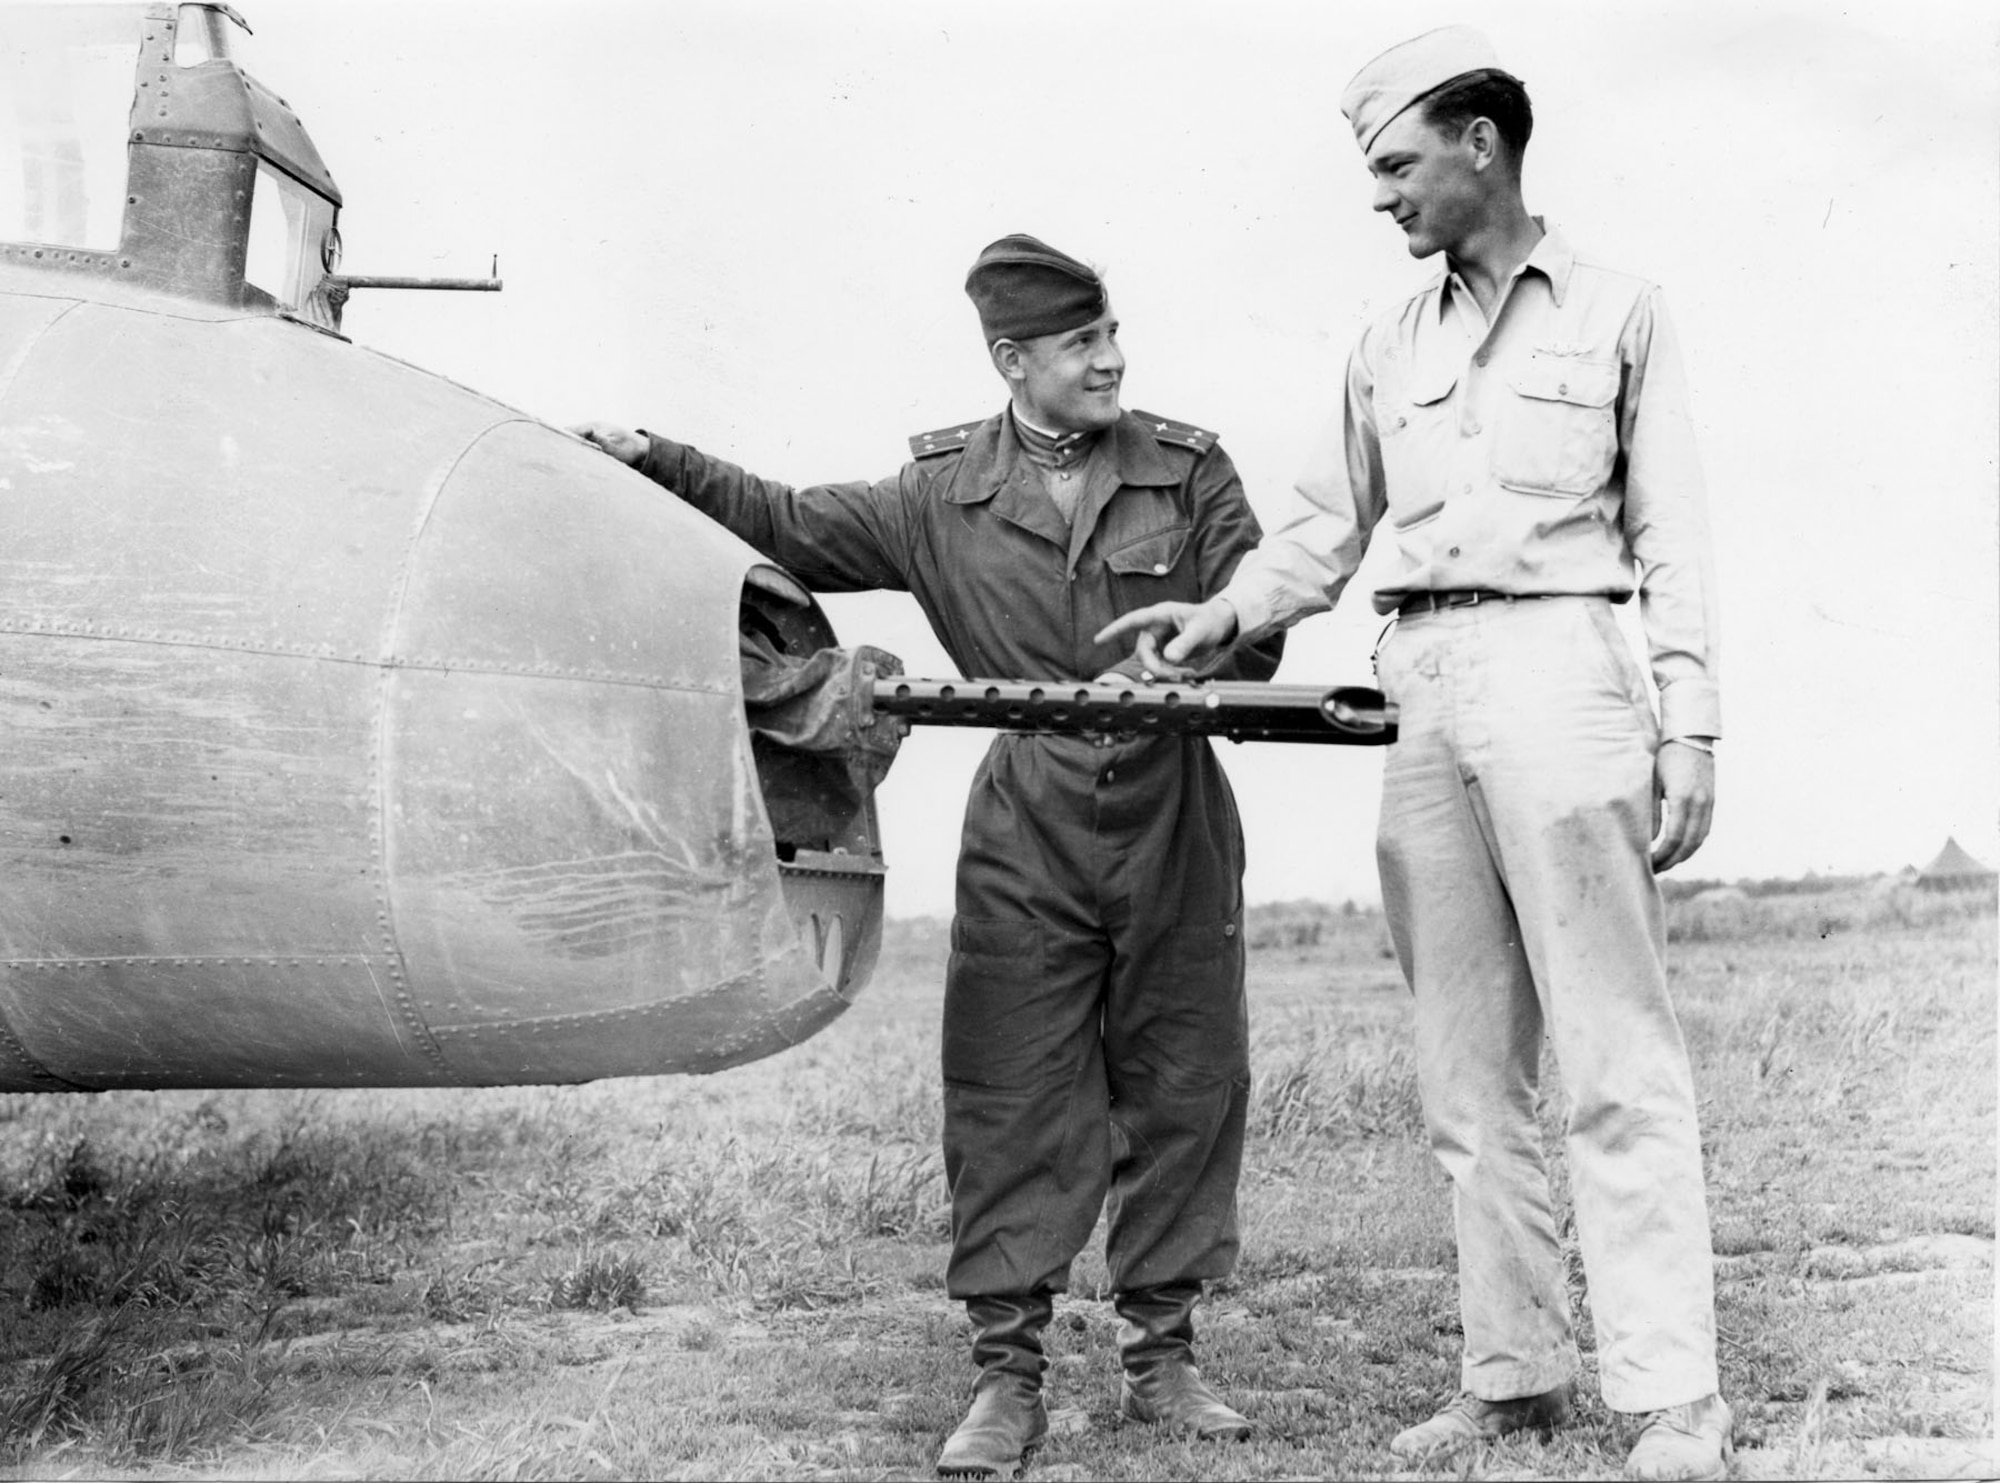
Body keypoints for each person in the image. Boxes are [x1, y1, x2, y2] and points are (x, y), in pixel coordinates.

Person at [1097, 27, 1731, 1483]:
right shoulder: (1389, 340)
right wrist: (1225, 611)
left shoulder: (1624, 312)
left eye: (1394, 167)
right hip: (1417, 683)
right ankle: (1511, 1379)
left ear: (1480, 146)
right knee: (1463, 1071)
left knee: (1616, 1056)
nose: (1379, 198)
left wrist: (1689, 720)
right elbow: (1322, 526)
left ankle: (1672, 1396)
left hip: (1570, 669)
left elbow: (1673, 535)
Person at [573, 234, 1283, 1479]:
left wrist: (1191, 655)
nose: (1111, 360)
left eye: (1113, 335)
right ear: (1013, 360)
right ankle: (1006, 1377)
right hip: (1026, 821)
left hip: (1176, 803)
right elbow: (786, 523)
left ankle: (1162, 1353)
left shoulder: (1188, 469)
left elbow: (1259, 626)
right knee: (1010, 1083)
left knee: (1185, 1075)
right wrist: (658, 460)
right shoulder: (936, 493)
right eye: (1081, 345)